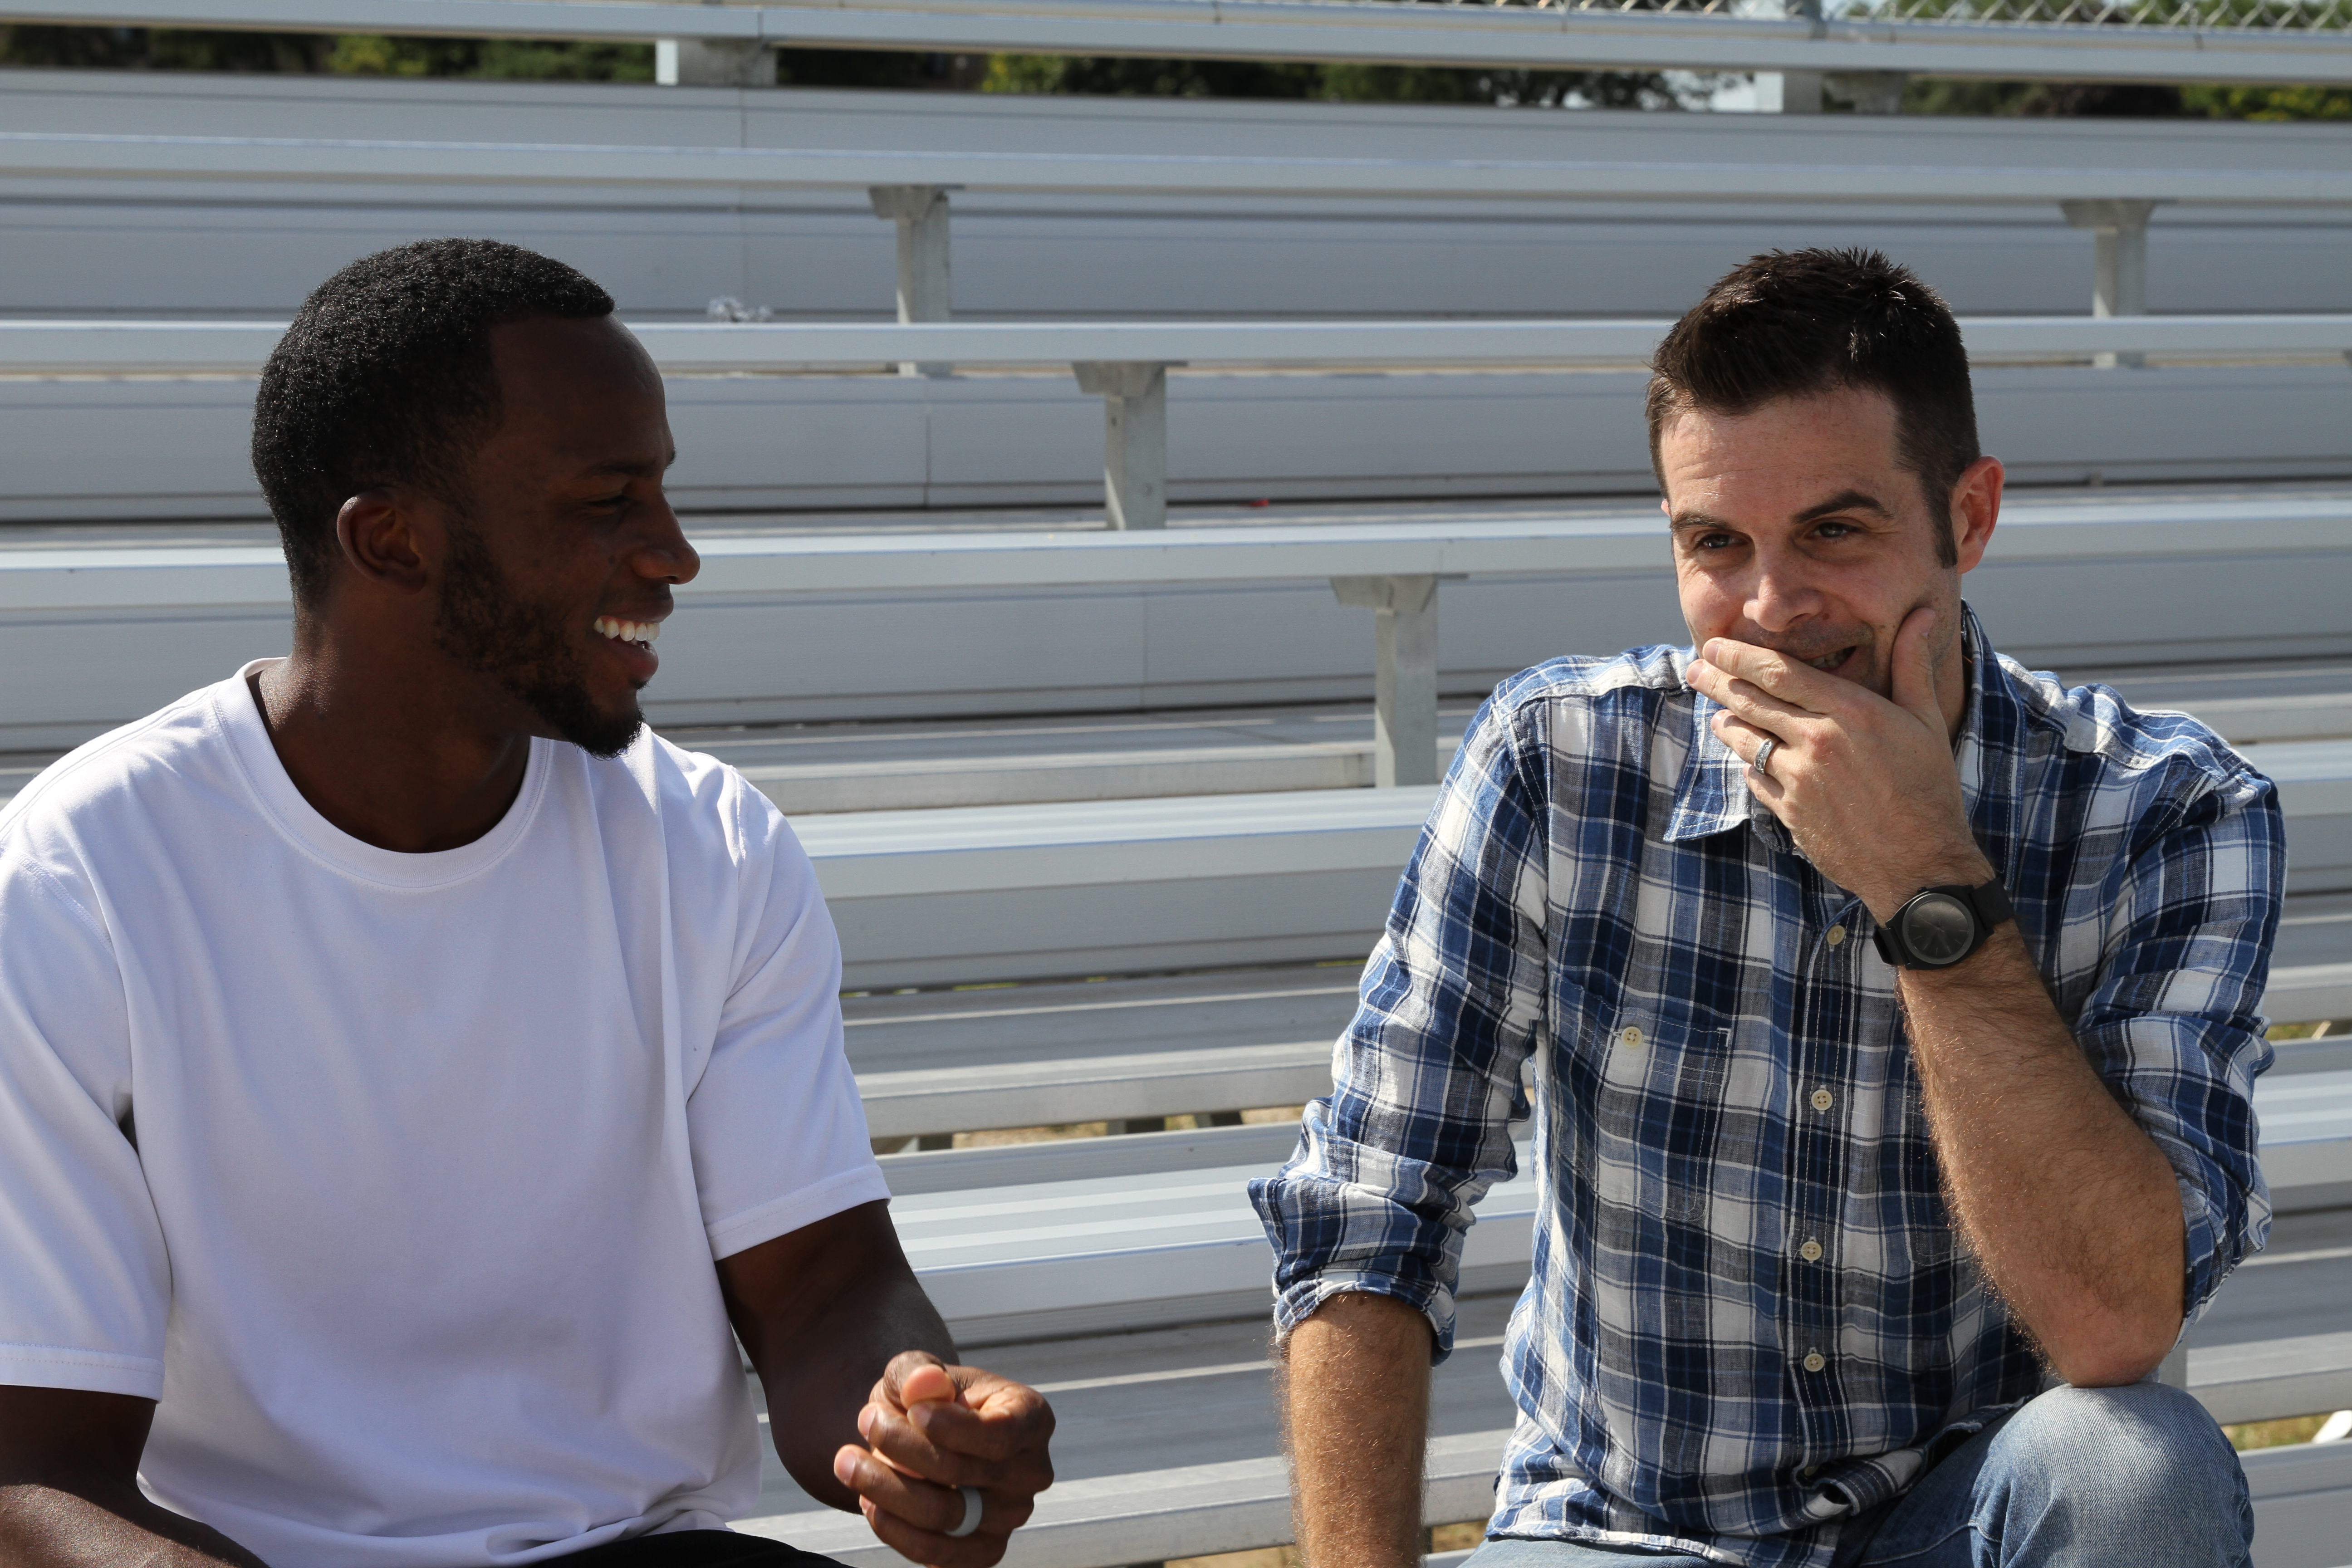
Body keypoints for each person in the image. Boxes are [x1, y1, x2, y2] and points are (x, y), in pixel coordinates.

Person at [0, 238, 1052, 1568]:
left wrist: (913, 1428)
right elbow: (32, 1473)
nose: (673, 555)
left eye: (663, 493)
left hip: (640, 1546)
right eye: (608, 501)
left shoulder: (711, 843)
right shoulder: (77, 881)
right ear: (392, 541)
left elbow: (824, 1289)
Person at [1250, 248, 2278, 1568]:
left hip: (1960, 1521)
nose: (1773, 608)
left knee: (2136, 1468)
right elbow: (1370, 1215)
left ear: (1970, 518)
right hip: (1622, 1533)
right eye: (1716, 544)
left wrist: (1925, 884)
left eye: (1835, 533)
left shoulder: (2170, 810)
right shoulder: (1560, 760)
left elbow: (2117, 1324)